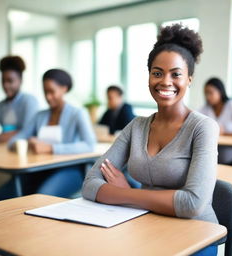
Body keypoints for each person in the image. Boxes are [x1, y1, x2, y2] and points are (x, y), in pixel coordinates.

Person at [82, 24, 219, 255]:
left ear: (189, 80)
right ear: (148, 77)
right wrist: (144, 199)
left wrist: (126, 192)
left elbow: (192, 204)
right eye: (157, 73)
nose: (165, 81)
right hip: (144, 226)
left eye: (176, 74)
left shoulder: (203, 128)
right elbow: (90, 184)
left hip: (197, 234)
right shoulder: (136, 126)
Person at [0, 69, 96, 201]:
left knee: (40, 197)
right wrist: (27, 143)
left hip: (69, 170)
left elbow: (89, 145)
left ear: (64, 89)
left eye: (52, 91)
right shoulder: (40, 116)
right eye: (45, 92)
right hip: (40, 169)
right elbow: (15, 140)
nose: (48, 97)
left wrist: (51, 148)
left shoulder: (77, 113)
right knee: (2, 195)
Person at [200, 77, 232, 236]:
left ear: (220, 91)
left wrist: (222, 132)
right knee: (214, 186)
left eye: (211, 92)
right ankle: (216, 224)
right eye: (206, 93)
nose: (208, 96)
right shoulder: (206, 108)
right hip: (220, 158)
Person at [0, 56, 38, 143]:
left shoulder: (29, 101)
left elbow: (27, 132)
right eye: (3, 81)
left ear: (21, 80)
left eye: (10, 81)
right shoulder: (0, 106)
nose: (5, 85)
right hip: (4, 148)